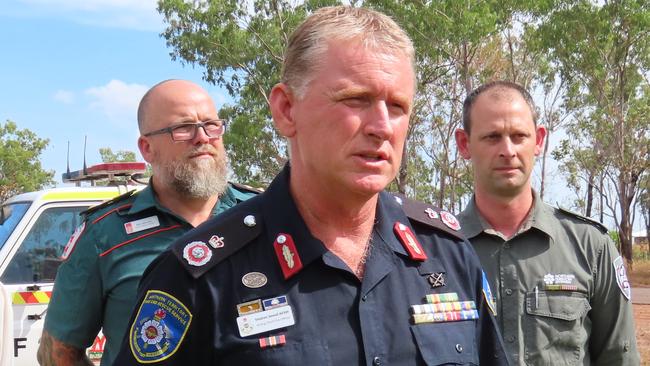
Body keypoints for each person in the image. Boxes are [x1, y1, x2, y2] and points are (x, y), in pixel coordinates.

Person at [114, 6, 508, 365]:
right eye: (356, 99)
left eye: (398, 106)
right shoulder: (199, 277)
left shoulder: (448, 254)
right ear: (287, 110)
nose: (382, 126)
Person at [37, 79, 257, 366]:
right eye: (183, 128)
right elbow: (57, 354)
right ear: (147, 148)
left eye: (211, 125)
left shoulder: (259, 217)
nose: (203, 137)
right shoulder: (104, 235)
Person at [455, 80, 640, 365]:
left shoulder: (591, 248)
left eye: (519, 136)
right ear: (464, 144)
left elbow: (618, 358)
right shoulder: (438, 249)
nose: (508, 150)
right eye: (492, 137)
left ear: (539, 141)